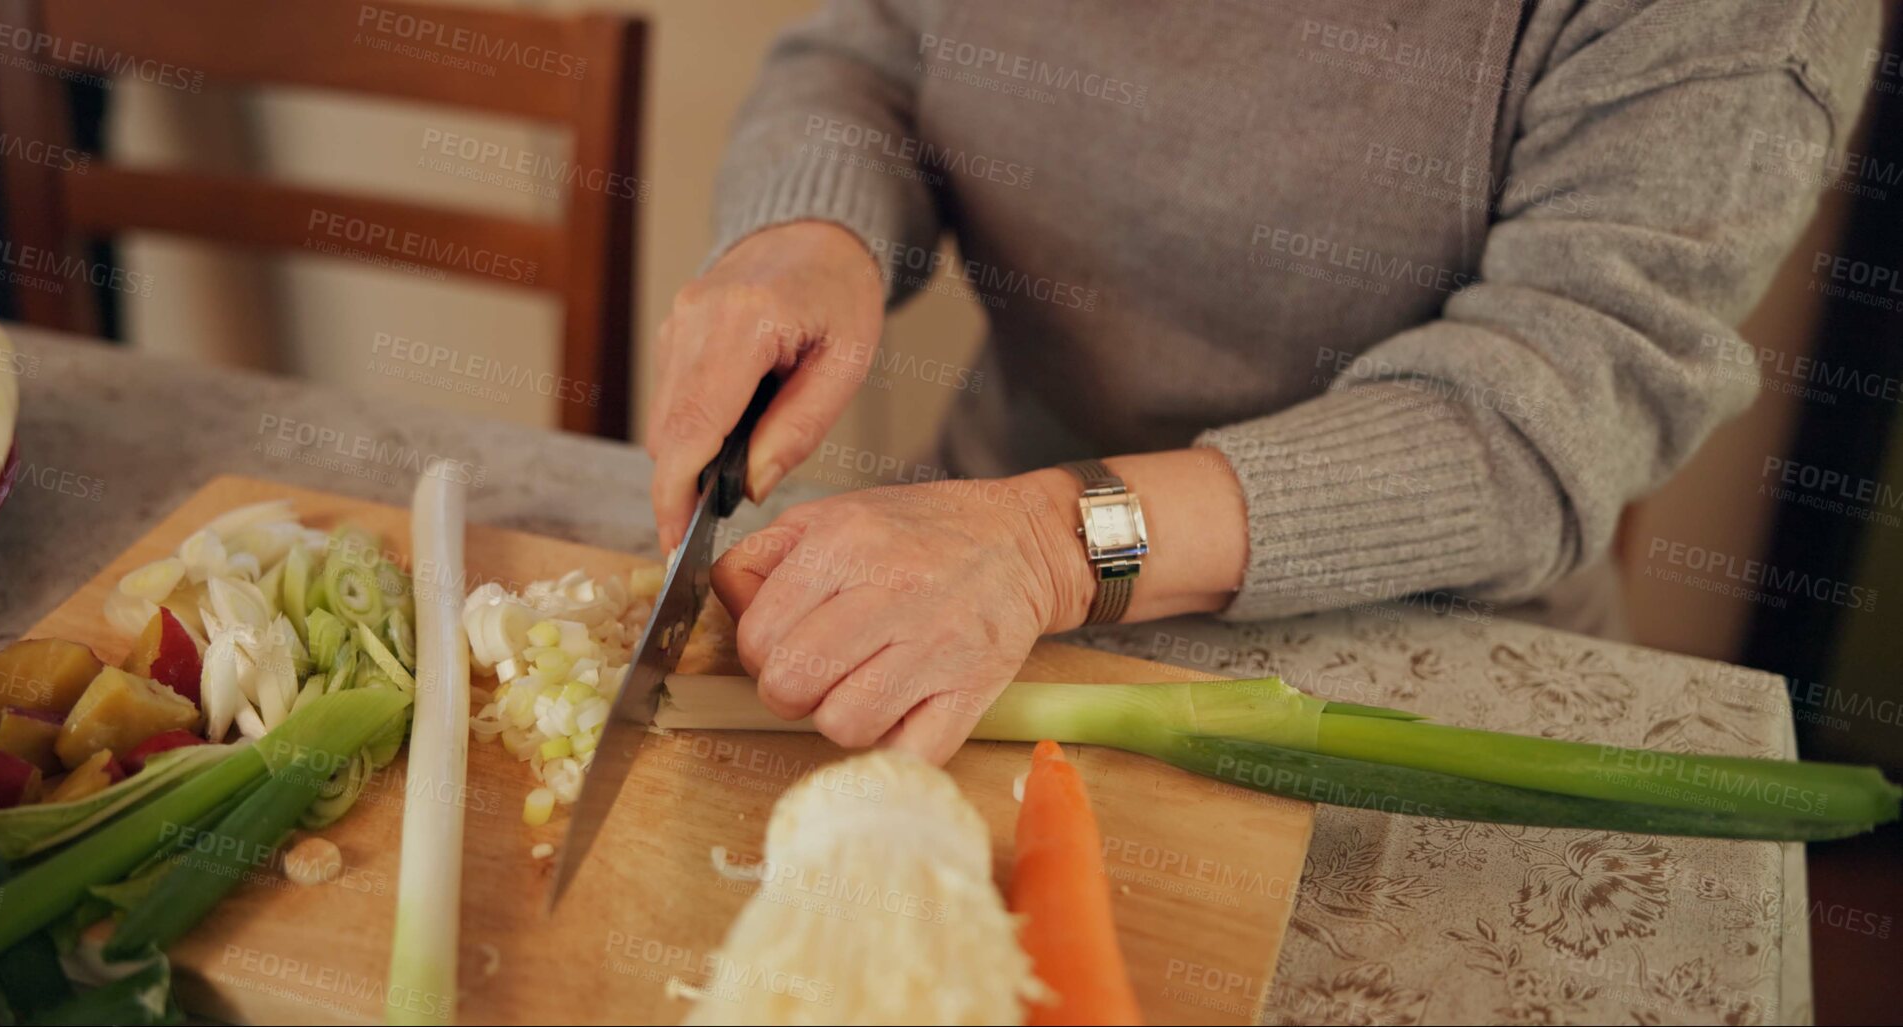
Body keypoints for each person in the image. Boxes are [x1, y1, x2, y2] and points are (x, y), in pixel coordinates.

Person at [645, 0, 1880, 764]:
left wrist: (1047, 544)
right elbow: (867, 49)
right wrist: (805, 233)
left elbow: (1548, 407)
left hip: (1397, 681)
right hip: (949, 590)